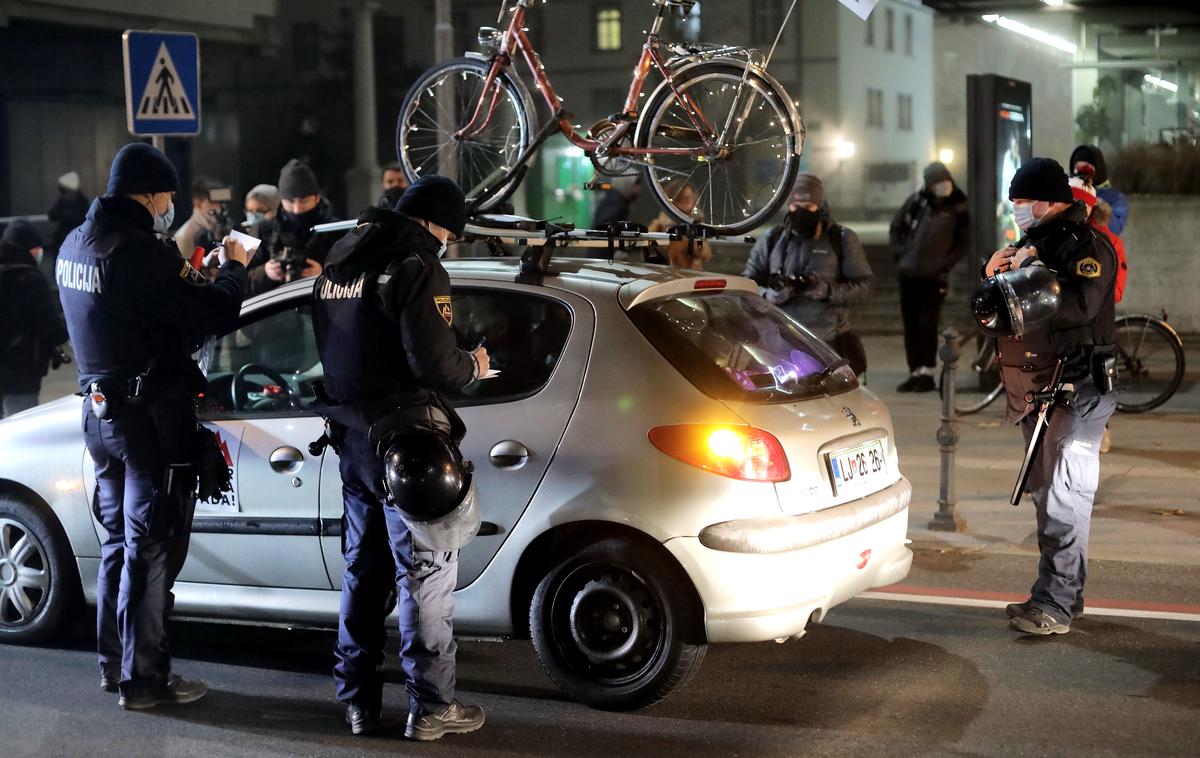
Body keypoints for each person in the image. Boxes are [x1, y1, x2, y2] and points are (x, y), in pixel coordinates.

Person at [56, 142, 250, 709]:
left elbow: (133, 313)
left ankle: (115, 666)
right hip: (148, 423)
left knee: (120, 544)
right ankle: (145, 681)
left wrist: (188, 278)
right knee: (153, 548)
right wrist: (235, 269)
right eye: (165, 194)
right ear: (147, 193)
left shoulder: (76, 243)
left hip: (100, 415)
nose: (168, 204)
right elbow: (212, 315)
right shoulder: (139, 252)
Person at [311, 176, 488, 740]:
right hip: (409, 447)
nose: (447, 247)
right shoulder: (416, 263)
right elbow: (436, 364)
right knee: (426, 574)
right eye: (450, 237)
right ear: (439, 225)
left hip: (354, 441)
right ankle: (433, 706)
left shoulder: (342, 256)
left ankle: (359, 703)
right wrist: (475, 366)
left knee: (363, 573)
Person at [982, 157, 1117, 636]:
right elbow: (1003, 312)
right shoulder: (1033, 242)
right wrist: (995, 274)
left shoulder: (1086, 245)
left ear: (1048, 200)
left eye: (1022, 202)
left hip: (1077, 384)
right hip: (1037, 388)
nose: (1017, 210)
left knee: (1064, 496)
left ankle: (1055, 606)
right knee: (1051, 496)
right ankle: (1063, 596)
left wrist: (1035, 272)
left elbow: (1081, 305)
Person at [742, 173, 873, 376]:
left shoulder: (841, 238)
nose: (801, 211)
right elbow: (746, 286)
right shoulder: (771, 239)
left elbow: (865, 287)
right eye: (795, 205)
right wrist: (768, 295)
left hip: (829, 343)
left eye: (808, 205)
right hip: (780, 342)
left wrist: (827, 291)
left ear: (820, 205)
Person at [889, 162, 969, 392]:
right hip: (909, 274)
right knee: (911, 323)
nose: (942, 185)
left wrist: (945, 264)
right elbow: (896, 226)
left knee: (927, 322)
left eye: (944, 180)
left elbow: (963, 242)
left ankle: (928, 371)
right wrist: (899, 253)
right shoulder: (917, 202)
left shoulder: (958, 205)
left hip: (936, 277)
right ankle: (915, 371)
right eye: (936, 182)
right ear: (929, 184)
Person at [0, 219, 68, 417]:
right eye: (36, 248)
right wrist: (61, 335)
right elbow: (47, 322)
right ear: (27, 249)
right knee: (20, 426)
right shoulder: (31, 279)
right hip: (22, 370)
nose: (39, 252)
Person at [246, 159, 337, 296]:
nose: (296, 209)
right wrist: (265, 272)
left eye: (304, 201)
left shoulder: (337, 230)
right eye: (290, 201)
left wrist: (324, 275)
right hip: (271, 313)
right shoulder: (257, 230)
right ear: (281, 200)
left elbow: (356, 283)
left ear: (317, 198)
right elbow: (233, 282)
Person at [647, 181, 712, 270]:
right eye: (684, 199)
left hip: (687, 273)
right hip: (664, 272)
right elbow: (648, 247)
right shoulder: (660, 225)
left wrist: (698, 251)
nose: (689, 203)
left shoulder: (696, 223)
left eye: (691, 198)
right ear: (675, 200)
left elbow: (705, 253)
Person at [1069, 144, 1128, 236]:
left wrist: (1090, 199)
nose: (1082, 173)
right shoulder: (1068, 192)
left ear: (1098, 169)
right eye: (1078, 169)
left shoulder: (1116, 198)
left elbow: (1115, 228)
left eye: (1087, 169)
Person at [174, 176, 227, 260]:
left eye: (221, 201)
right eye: (214, 200)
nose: (220, 205)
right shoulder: (183, 236)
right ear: (198, 202)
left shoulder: (220, 226)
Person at [47, 170, 90, 265]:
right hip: (63, 237)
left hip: (78, 237)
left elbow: (81, 218)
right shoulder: (62, 201)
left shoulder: (82, 201)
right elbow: (51, 215)